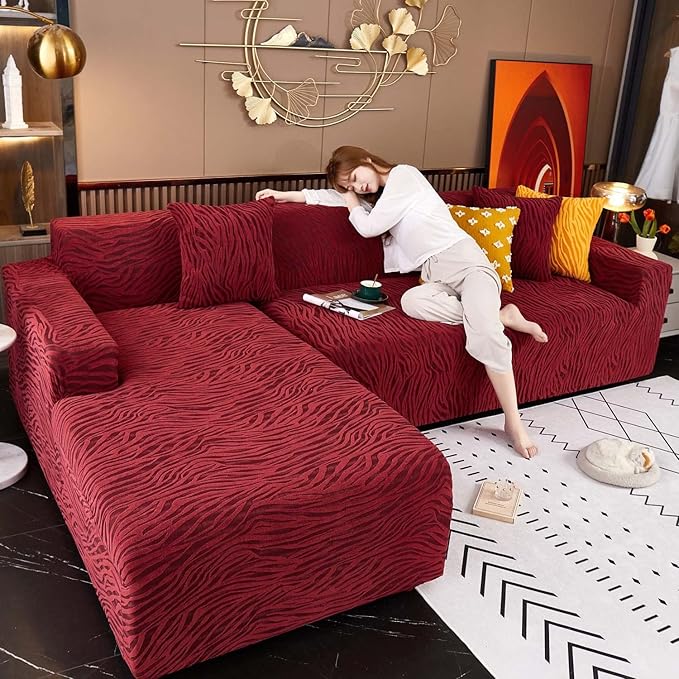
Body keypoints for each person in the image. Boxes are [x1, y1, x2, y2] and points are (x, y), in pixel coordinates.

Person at [256, 146, 548, 459]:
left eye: (355, 177)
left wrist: (350, 198)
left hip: (469, 265)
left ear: (366, 160)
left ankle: (513, 421)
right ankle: (501, 316)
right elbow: (332, 198)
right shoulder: (381, 198)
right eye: (350, 186)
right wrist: (286, 195)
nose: (357, 187)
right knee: (412, 301)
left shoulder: (404, 176)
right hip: (435, 275)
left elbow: (367, 227)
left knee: (486, 335)